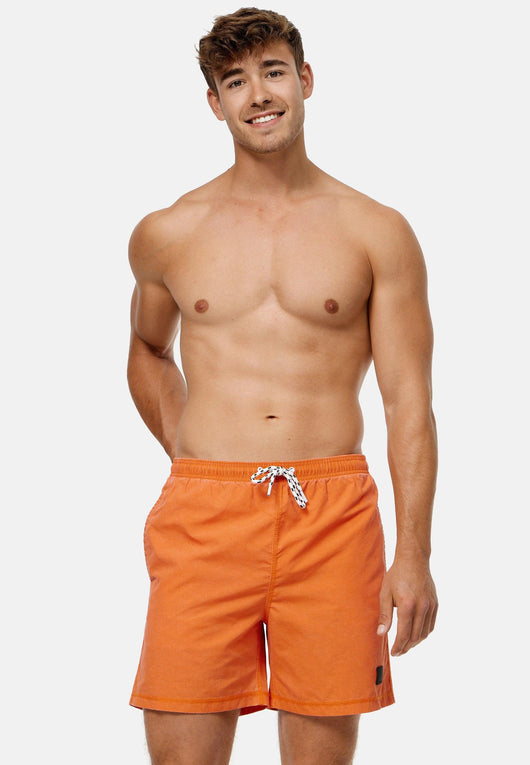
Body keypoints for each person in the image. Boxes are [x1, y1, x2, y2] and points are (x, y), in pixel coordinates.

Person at [127, 7, 438, 764]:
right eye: (236, 81)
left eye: (273, 72)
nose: (259, 94)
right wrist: (189, 450)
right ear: (215, 103)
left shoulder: (376, 230)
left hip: (331, 516)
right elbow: (147, 349)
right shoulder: (169, 231)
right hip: (205, 515)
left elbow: (408, 402)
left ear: (305, 80)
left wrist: (414, 553)